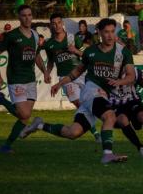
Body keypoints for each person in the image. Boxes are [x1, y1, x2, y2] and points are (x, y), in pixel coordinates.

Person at [20, 18, 135, 164]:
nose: (110, 36)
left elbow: (131, 76)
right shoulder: (91, 52)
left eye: (112, 32)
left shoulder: (123, 52)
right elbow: (77, 72)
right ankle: (107, 154)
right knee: (110, 116)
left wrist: (120, 81)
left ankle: (39, 125)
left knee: (72, 132)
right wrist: (60, 83)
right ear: (99, 33)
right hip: (92, 92)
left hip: (102, 96)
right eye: (106, 32)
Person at [0, 5, 49, 153]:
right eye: (24, 15)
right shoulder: (12, 35)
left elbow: (36, 55)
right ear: (19, 18)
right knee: (25, 114)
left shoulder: (34, 35)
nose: (27, 18)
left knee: (24, 118)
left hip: (31, 79)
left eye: (29, 15)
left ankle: (6, 146)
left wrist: (45, 71)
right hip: (16, 78)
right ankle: (1, 99)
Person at [36, 12, 101, 143]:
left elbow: (86, 55)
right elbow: (50, 61)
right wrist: (47, 73)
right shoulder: (49, 44)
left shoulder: (73, 38)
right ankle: (96, 134)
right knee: (79, 104)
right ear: (50, 26)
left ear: (63, 24)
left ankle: (93, 130)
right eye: (54, 24)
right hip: (64, 78)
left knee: (89, 104)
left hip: (80, 74)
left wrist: (76, 51)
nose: (57, 26)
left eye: (59, 23)